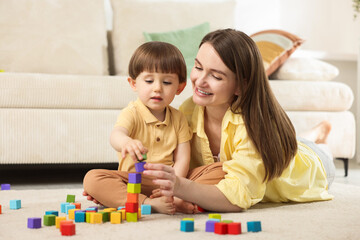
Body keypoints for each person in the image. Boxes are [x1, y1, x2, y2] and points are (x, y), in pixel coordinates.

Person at [142, 29, 335, 213]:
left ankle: (320, 136)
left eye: (216, 76)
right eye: (198, 67)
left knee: (312, 149)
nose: (200, 80)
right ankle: (314, 133)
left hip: (315, 169)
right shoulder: (189, 110)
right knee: (296, 141)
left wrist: (181, 187)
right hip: (282, 145)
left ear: (240, 85)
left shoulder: (252, 128)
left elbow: (236, 198)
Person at [83, 41, 192, 214]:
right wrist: (126, 142)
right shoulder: (132, 112)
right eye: (149, 81)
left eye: (167, 82)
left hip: (169, 181)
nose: (157, 88)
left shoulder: (179, 118)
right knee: (92, 179)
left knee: (217, 172)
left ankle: (173, 199)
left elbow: (183, 159)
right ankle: (148, 203)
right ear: (134, 84)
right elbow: (116, 134)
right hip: (134, 182)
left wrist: (173, 186)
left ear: (180, 87)